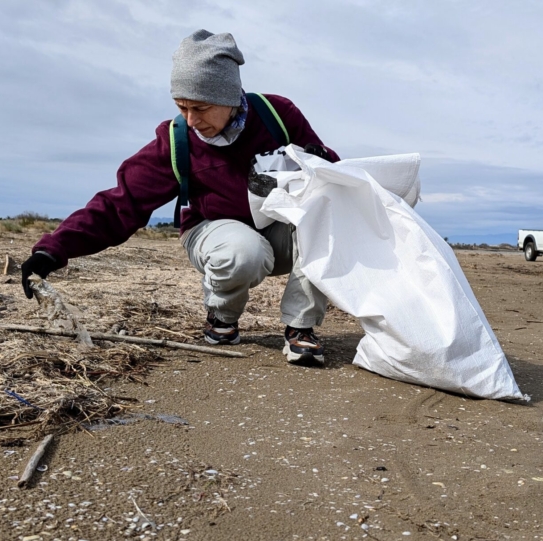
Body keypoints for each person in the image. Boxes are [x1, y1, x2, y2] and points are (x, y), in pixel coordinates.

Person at [20, 30, 339, 366]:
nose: (191, 119)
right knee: (244, 251)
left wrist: (321, 157)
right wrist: (52, 250)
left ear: (230, 97)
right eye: (181, 106)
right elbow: (120, 203)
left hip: (277, 226)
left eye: (200, 107)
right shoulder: (176, 141)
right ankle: (221, 319)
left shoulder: (277, 115)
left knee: (324, 221)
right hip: (214, 232)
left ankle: (301, 328)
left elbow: (332, 176)